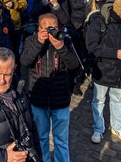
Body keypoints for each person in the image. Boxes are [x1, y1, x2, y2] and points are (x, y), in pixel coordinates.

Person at [20, 13, 79, 162]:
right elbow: (25, 61)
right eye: (46, 28)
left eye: (53, 27)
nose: (50, 31)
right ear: (39, 28)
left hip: (60, 98)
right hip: (38, 98)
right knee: (41, 138)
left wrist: (61, 47)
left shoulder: (65, 41)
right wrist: (39, 42)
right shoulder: (31, 40)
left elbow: (74, 64)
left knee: (61, 139)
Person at [85, 0, 121, 143]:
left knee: (117, 99)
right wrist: (114, 53)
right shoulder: (100, 21)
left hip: (120, 68)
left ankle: (117, 127)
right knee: (99, 100)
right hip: (103, 67)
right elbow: (91, 46)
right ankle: (98, 129)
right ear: (117, 11)